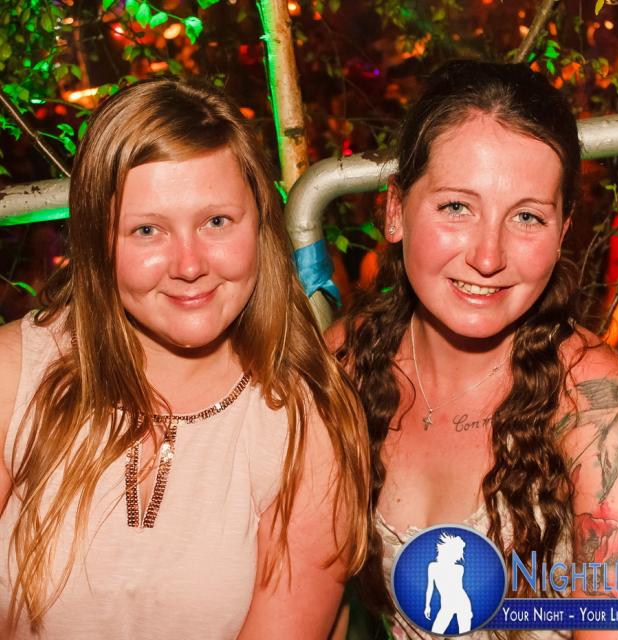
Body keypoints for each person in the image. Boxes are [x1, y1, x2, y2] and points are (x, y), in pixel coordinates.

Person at [0, 78, 369, 639]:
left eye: (216, 221)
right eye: (147, 230)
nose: (190, 265)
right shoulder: (16, 374)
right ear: (98, 242)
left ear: (261, 225)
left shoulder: (308, 424)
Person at [331, 60, 618, 639]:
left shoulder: (599, 404)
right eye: (456, 207)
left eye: (527, 216)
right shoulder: (345, 361)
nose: (488, 256)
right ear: (395, 211)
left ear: (563, 232)